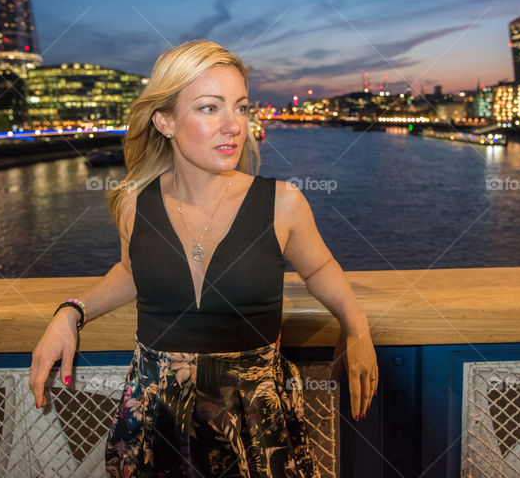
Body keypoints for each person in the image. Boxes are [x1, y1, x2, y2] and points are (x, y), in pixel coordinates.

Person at [29, 40, 377, 477]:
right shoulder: (134, 204)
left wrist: (356, 324)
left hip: (254, 427)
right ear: (165, 121)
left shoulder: (282, 202)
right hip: (156, 425)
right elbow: (132, 272)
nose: (234, 125)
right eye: (210, 108)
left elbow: (320, 267)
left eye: (241, 107)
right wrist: (71, 312)